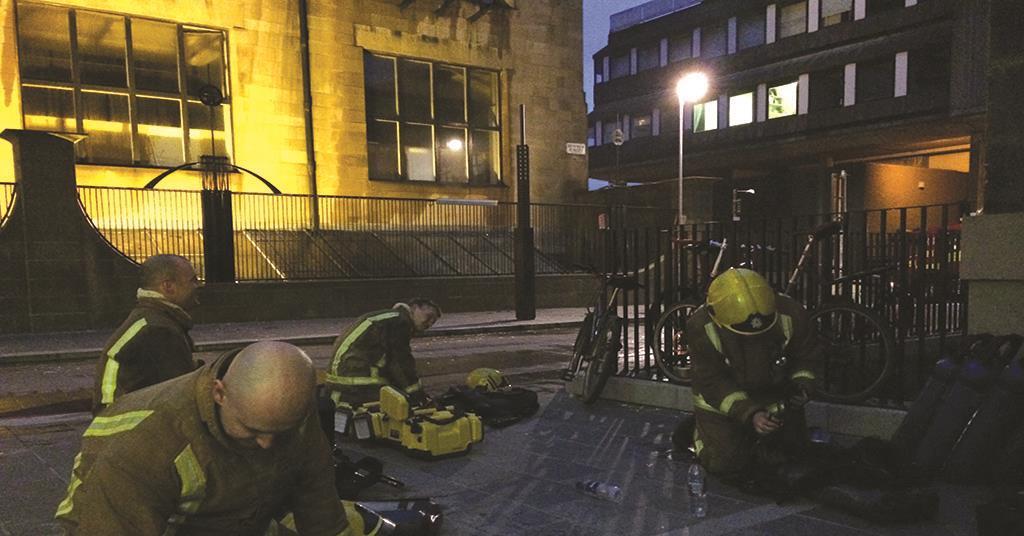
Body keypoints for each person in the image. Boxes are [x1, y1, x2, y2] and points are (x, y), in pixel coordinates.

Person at [56, 341, 371, 535]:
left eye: (279, 432)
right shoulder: (150, 441)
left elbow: (317, 498)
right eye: (253, 430)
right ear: (219, 393)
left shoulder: (287, 409)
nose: (267, 444)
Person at [684, 268, 821, 478]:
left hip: (775, 397)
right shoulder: (701, 327)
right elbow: (711, 381)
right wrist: (750, 413)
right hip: (723, 400)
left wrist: (802, 386)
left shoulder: (791, 314)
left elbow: (807, 357)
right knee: (725, 463)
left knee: (794, 455)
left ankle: (748, 433)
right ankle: (697, 434)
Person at [92, 254, 201, 415]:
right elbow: (183, 392)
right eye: (193, 280)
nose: (197, 286)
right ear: (168, 286)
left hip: (113, 421)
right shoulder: (159, 330)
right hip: (124, 429)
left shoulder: (150, 319)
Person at [325, 298, 441, 407]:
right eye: (429, 316)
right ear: (414, 308)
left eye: (433, 322)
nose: (429, 324)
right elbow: (401, 362)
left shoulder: (388, 318)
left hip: (341, 378)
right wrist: (417, 395)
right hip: (357, 381)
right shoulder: (400, 322)